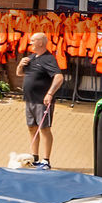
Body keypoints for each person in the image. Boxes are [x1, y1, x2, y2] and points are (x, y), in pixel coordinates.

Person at [17, 31, 64, 169]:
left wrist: (50, 94)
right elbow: (20, 73)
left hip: (42, 101)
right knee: (32, 128)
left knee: (44, 129)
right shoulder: (31, 58)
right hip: (29, 100)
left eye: (33, 40)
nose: (30, 43)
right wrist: (20, 64)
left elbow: (59, 77)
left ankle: (46, 160)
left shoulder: (48, 59)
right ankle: (34, 157)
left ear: (41, 42)